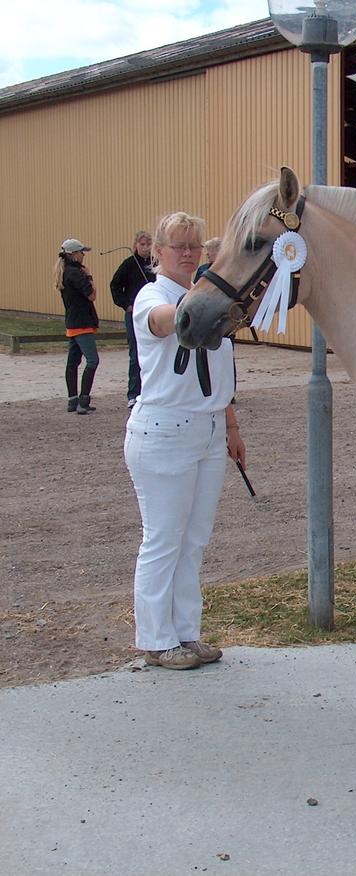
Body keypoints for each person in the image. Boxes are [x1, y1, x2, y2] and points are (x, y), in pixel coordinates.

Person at [123, 212, 245, 670]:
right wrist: (201, 304)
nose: (188, 253)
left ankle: (186, 632)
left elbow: (215, 373)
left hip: (208, 427)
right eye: (178, 246)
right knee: (162, 538)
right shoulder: (151, 297)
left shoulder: (201, 294)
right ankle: (155, 639)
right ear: (158, 251)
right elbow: (161, 322)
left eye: (194, 245)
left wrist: (231, 426)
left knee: (193, 539)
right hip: (164, 430)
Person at [109, 230, 156, 408]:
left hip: (154, 313)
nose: (145, 248)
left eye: (148, 244)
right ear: (136, 245)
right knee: (136, 353)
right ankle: (134, 393)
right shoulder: (129, 264)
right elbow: (114, 286)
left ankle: (151, 390)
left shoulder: (156, 264)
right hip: (135, 314)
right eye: (142, 244)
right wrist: (126, 305)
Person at [55, 238, 100, 414]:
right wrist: (89, 276)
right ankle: (83, 400)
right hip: (83, 324)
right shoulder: (77, 273)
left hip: (72, 323)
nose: (83, 255)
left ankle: (72, 400)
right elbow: (92, 295)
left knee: (72, 362)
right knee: (93, 360)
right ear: (74, 254)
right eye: (82, 252)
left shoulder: (64, 272)